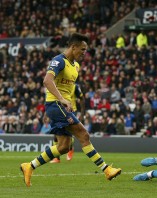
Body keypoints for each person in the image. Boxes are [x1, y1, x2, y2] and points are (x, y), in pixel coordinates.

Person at [20, 33, 121, 187]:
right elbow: (47, 80)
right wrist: (61, 99)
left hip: (63, 107)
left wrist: (69, 103)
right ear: (73, 47)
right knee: (83, 135)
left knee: (63, 146)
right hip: (55, 105)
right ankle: (106, 169)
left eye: (85, 50)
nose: (84, 53)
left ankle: (30, 166)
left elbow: (68, 88)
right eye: (82, 49)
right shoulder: (58, 61)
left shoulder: (76, 66)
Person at [50, 83, 85, 163]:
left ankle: (70, 149)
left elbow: (82, 99)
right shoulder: (57, 85)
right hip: (59, 112)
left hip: (71, 112)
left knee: (69, 133)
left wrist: (82, 114)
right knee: (56, 135)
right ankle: (57, 158)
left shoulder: (75, 86)